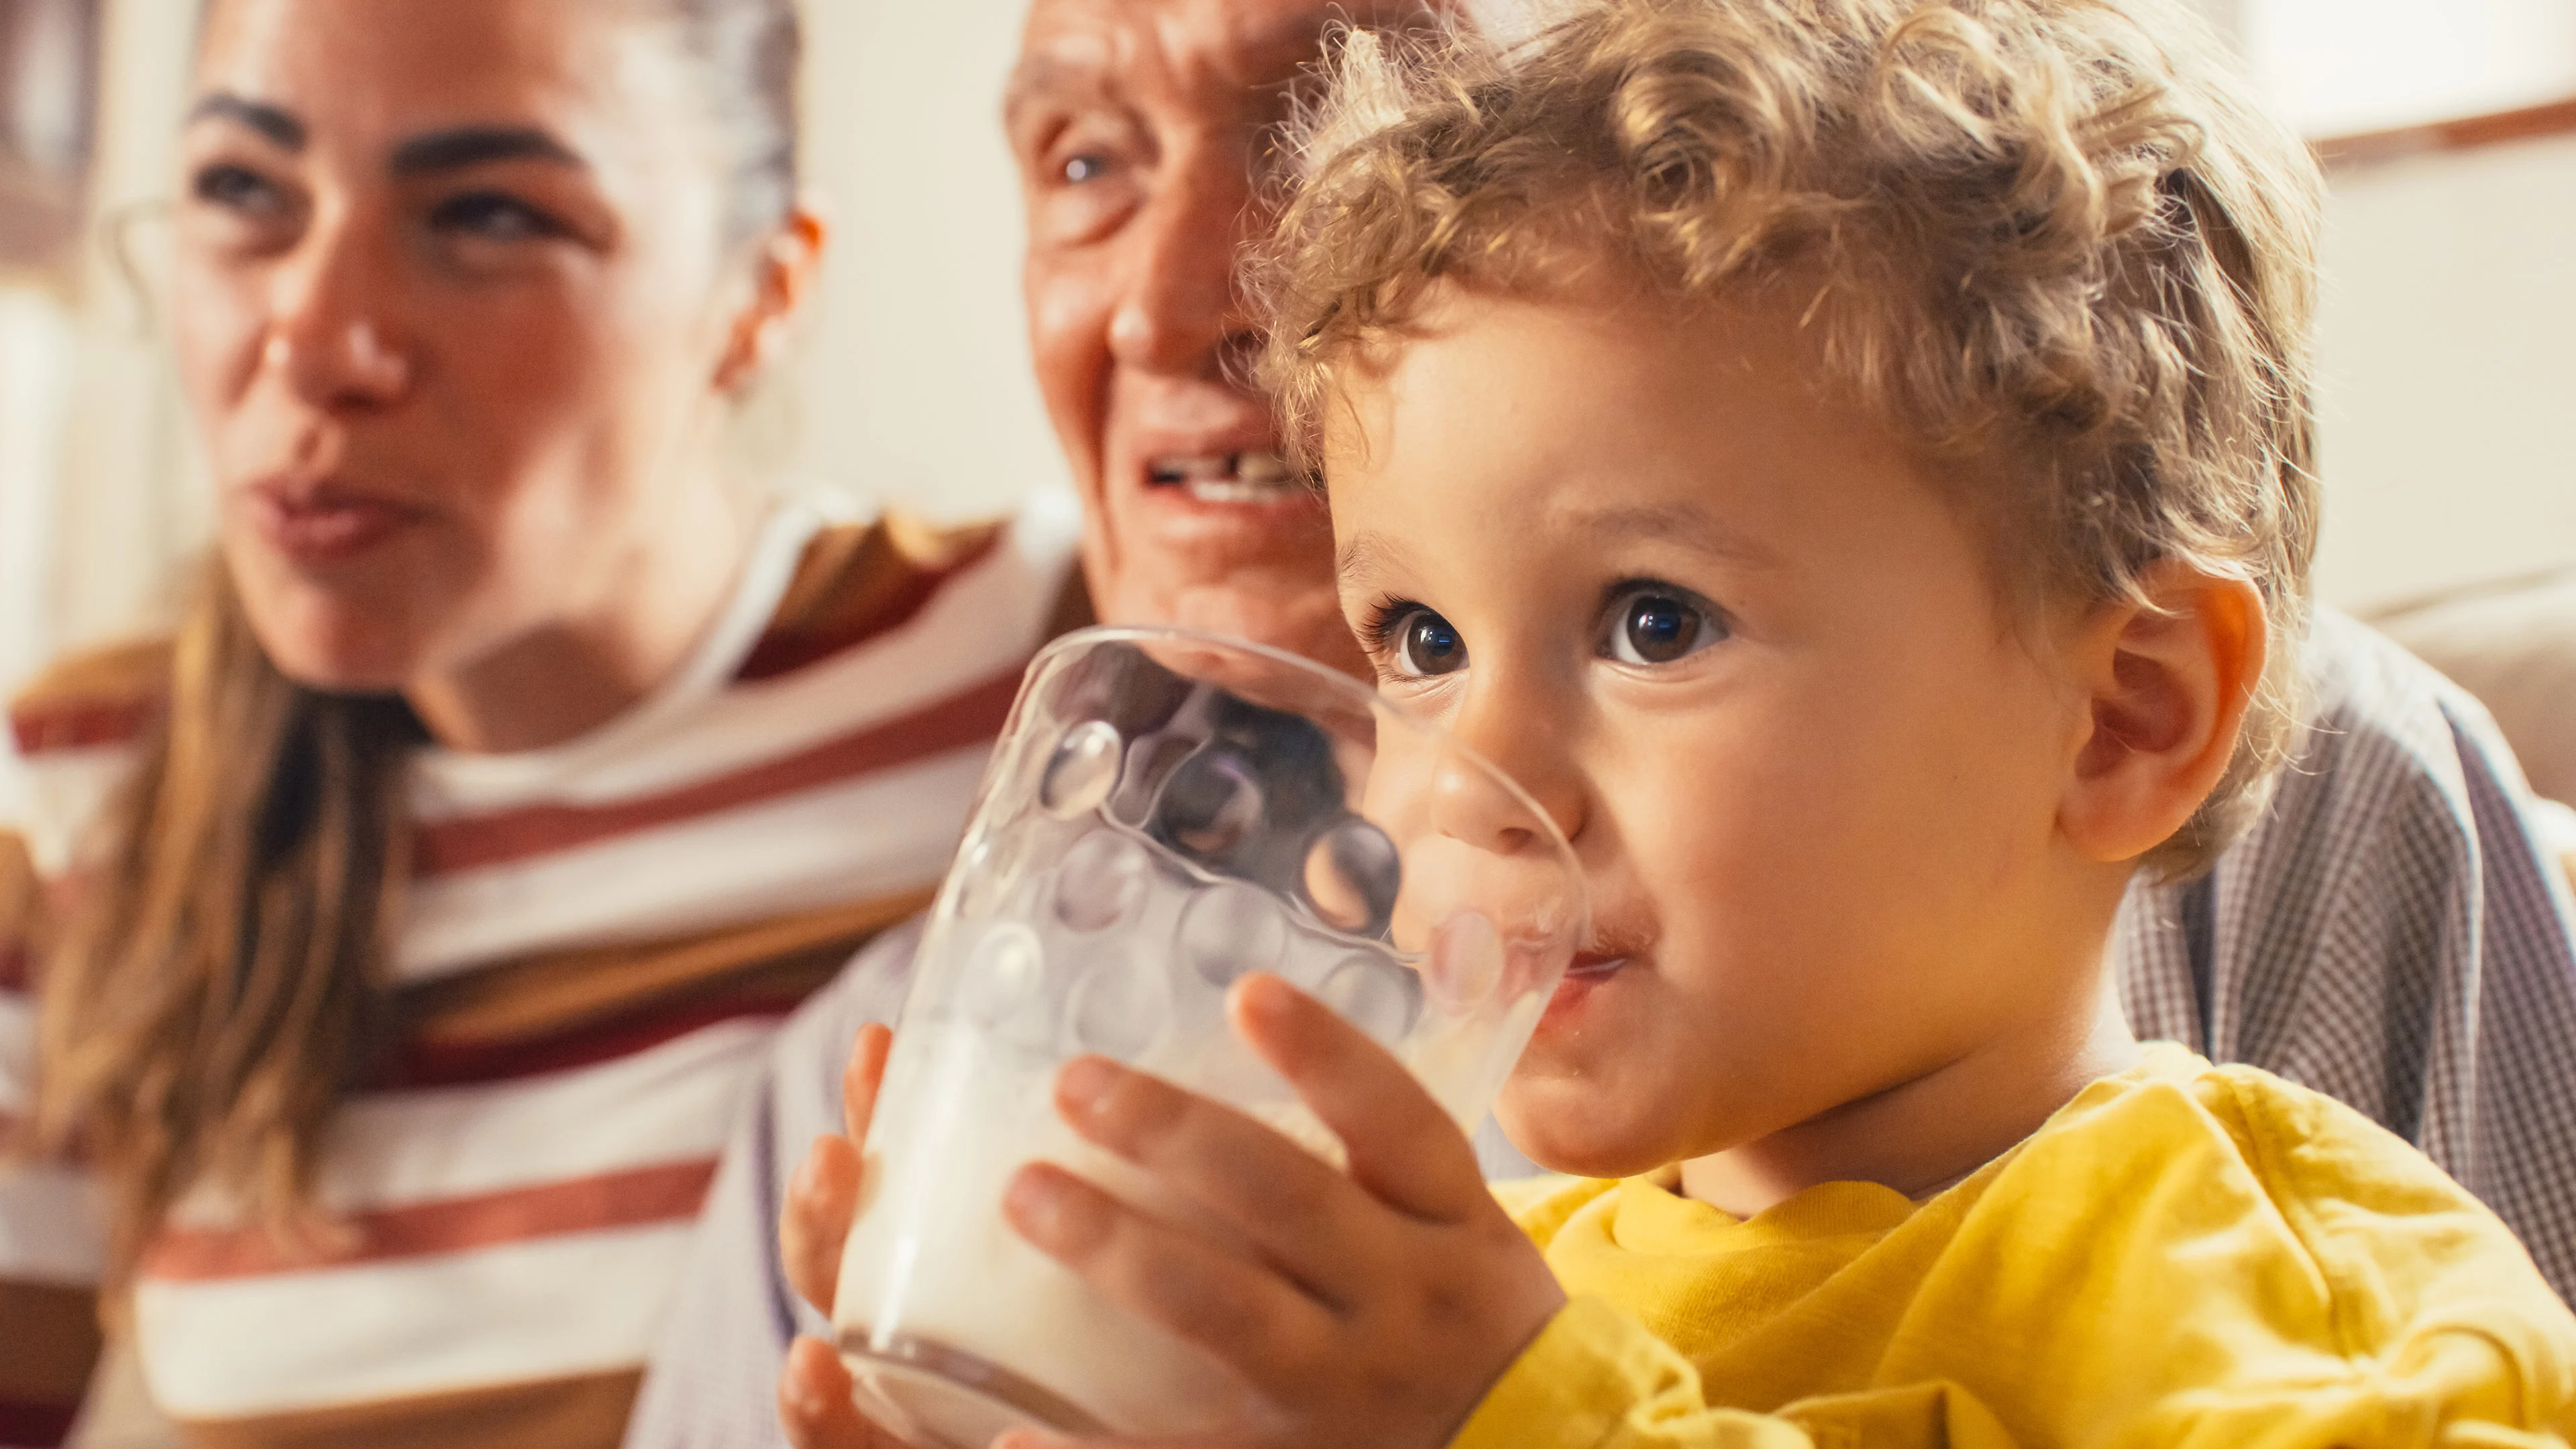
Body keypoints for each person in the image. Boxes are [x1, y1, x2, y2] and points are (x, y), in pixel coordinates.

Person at [624, 0, 2576, 1443]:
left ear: (2123, 719)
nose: (1482, 782)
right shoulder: (1467, 1280)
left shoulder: (2320, 1313)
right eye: (1416, 638)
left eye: (1653, 624)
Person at [0, 0, 1079, 1444]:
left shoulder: (1043, 678)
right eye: (246, 192)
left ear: (761, 295)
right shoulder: (93, 785)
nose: (315, 341)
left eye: (491, 215)